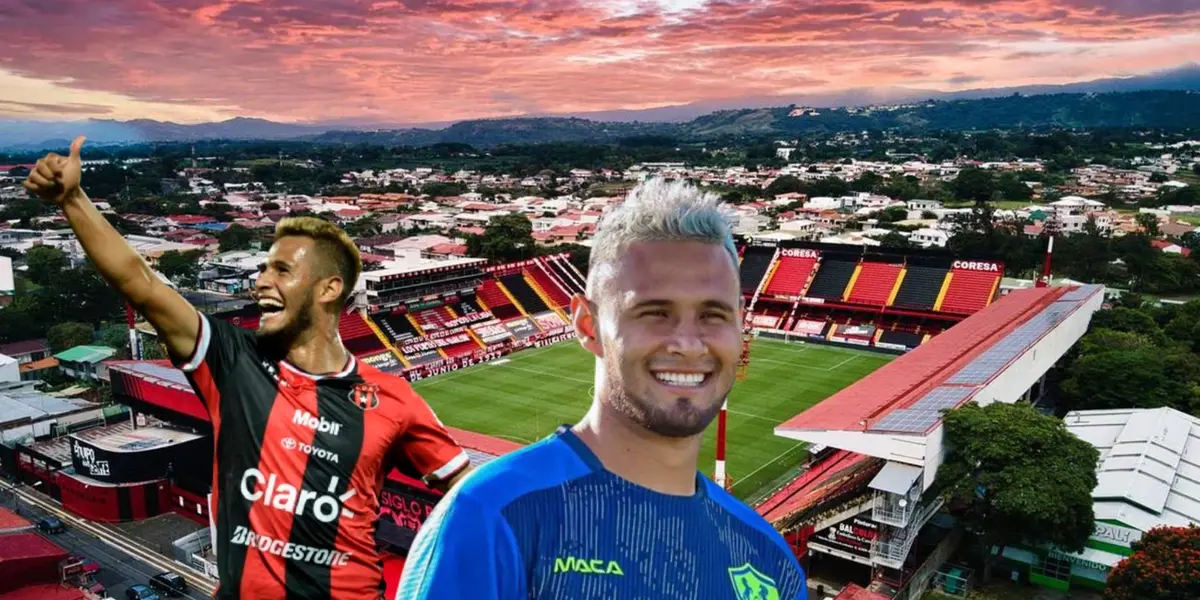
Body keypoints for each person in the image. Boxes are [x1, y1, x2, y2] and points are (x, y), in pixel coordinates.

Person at [24, 137, 472, 599]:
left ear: (329, 288)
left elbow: (477, 497)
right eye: (263, 269)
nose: (261, 281)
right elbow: (139, 282)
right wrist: (73, 200)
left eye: (281, 270)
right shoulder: (233, 360)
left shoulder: (392, 397)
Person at [396, 177, 808, 599]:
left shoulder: (768, 559)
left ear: (741, 322)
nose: (687, 344)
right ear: (588, 326)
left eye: (713, 315)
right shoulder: (492, 517)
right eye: (654, 312)